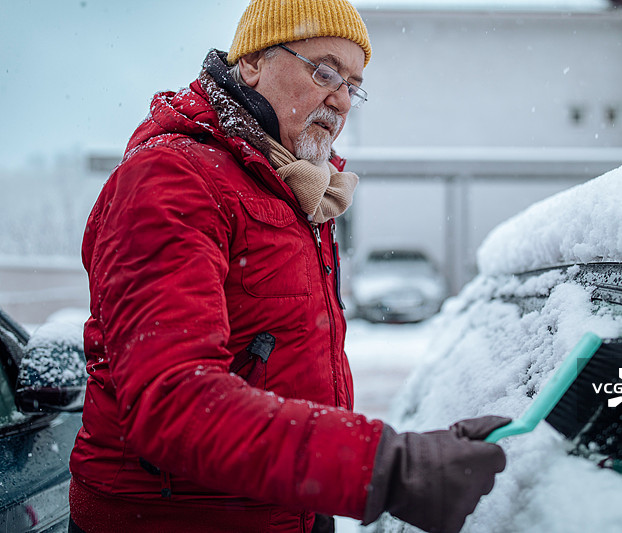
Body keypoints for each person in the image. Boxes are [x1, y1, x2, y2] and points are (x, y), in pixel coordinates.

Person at [68, 1, 508, 532]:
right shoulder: (173, 179)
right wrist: (386, 469)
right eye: (324, 70)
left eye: (353, 83)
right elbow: (173, 402)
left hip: (292, 508)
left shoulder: (299, 190)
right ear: (252, 63)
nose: (341, 98)